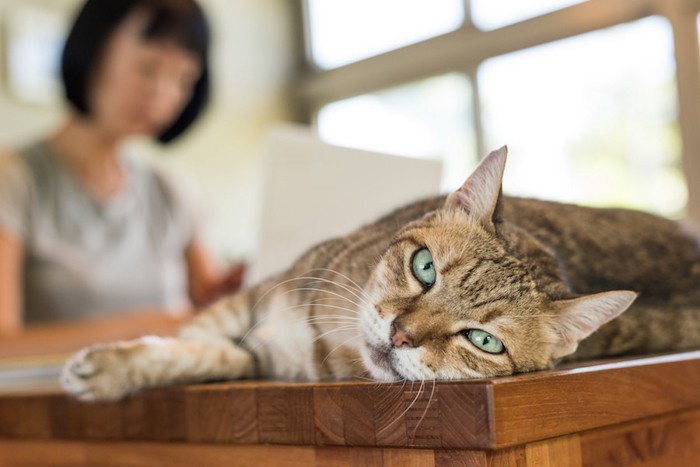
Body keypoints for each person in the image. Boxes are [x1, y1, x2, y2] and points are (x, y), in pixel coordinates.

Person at [0, 0, 243, 337]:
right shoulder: (12, 179)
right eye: (148, 67)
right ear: (92, 52)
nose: (163, 93)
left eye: (184, 78)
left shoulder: (169, 189)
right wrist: (147, 328)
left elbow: (211, 306)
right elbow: (4, 345)